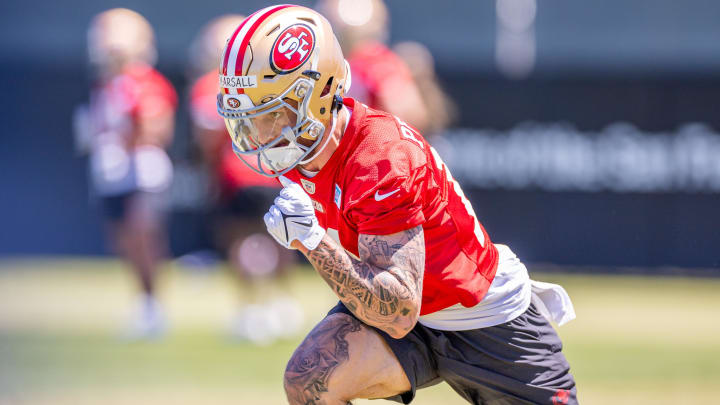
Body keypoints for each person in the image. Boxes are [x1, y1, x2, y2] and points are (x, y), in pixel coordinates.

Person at [216, 5, 577, 404]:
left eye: (271, 115)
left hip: (482, 318)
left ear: (316, 96)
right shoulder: (306, 149)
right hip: (406, 311)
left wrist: (313, 241)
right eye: (248, 118)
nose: (258, 134)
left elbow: (397, 310)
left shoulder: (380, 157)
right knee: (310, 382)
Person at [187, 15, 302, 343]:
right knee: (283, 236)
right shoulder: (268, 79)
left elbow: (208, 138)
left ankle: (252, 309)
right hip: (272, 171)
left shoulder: (209, 84)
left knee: (240, 240)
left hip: (235, 174)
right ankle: (282, 304)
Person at [74, 8, 177, 339]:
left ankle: (154, 306)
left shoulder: (144, 82)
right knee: (123, 240)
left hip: (142, 172)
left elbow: (156, 127)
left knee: (142, 235)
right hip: (113, 173)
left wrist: (125, 141)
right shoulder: (105, 85)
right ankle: (142, 303)